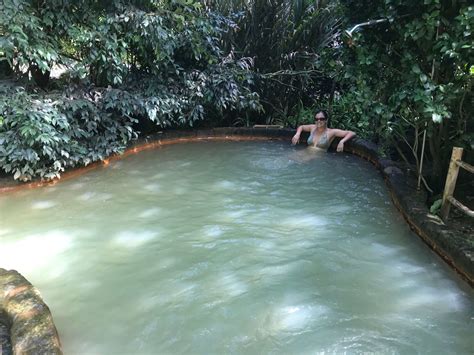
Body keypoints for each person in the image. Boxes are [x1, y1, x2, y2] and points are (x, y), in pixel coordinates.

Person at [291, 110, 356, 152]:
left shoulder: (331, 132)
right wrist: (297, 134)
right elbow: (301, 127)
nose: (318, 121)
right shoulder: (312, 128)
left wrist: (342, 141)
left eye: (321, 119)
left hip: (317, 158)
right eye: (316, 119)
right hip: (304, 152)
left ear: (326, 120)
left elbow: (352, 133)